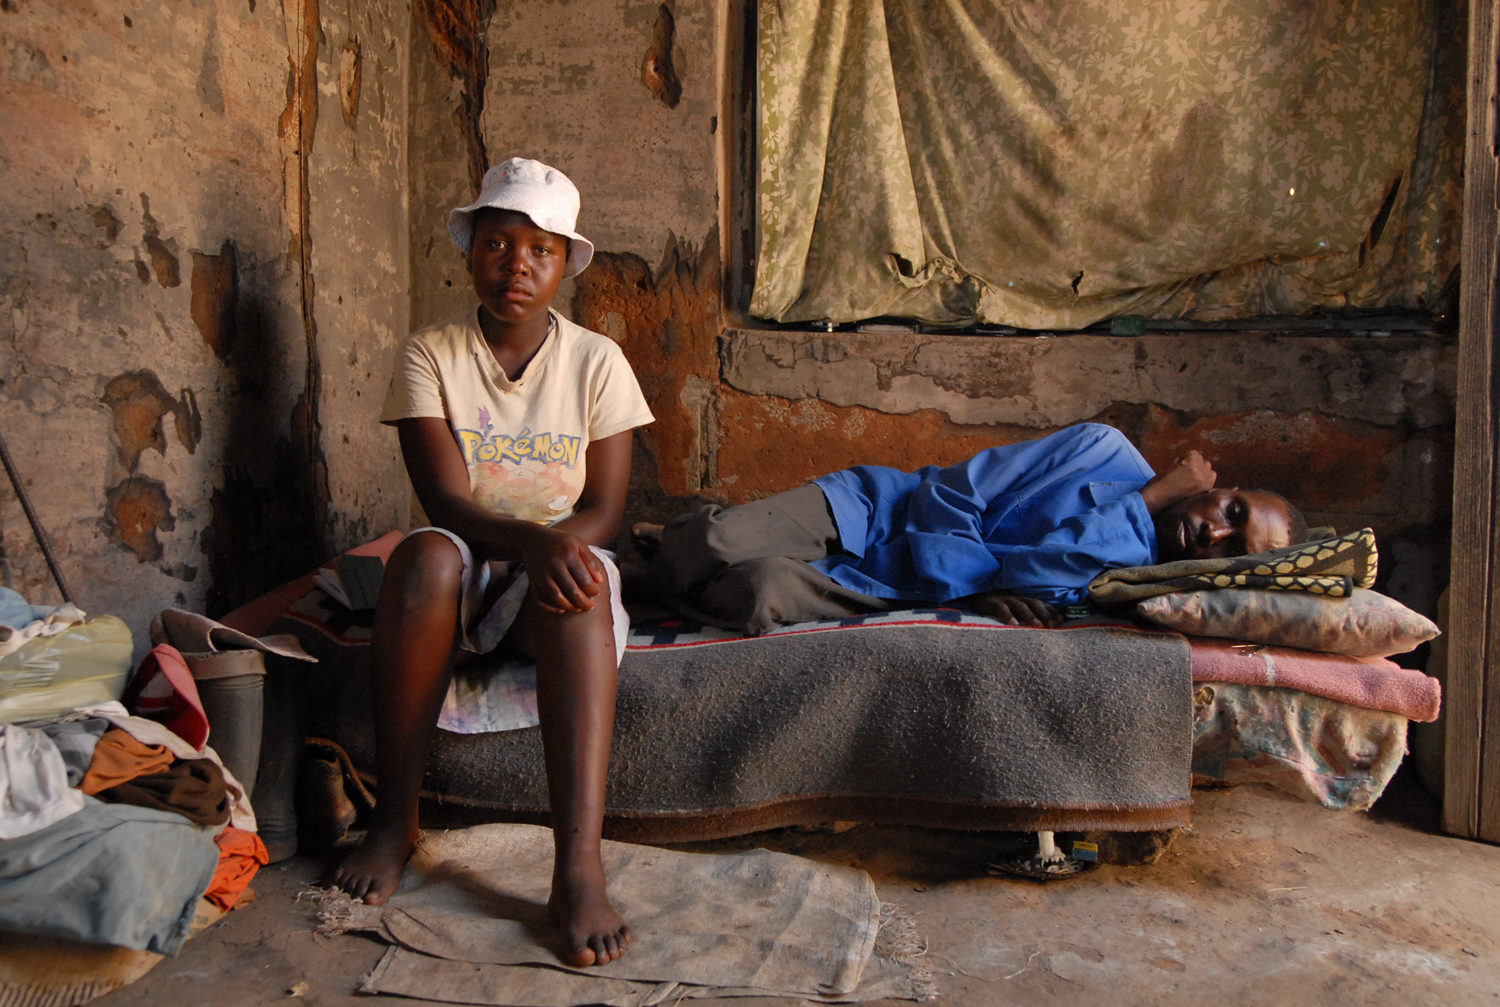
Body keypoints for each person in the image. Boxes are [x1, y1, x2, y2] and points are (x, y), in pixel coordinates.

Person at [331, 158, 654, 967]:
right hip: (469, 568)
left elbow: (606, 510)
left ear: (563, 266)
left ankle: (576, 866)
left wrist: (556, 548)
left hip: (553, 571)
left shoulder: (597, 361)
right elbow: (446, 501)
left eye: (541, 249)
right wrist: (531, 540)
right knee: (422, 556)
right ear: (470, 248)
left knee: (584, 576)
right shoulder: (430, 354)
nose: (518, 264)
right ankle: (395, 820)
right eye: (500, 242)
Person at [634, 423, 1307, 634]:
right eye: (1233, 513)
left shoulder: (1128, 580)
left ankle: (661, 559)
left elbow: (1039, 573)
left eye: (1232, 549)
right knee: (713, 543)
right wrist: (974, 585)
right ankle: (676, 543)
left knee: (758, 594)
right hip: (878, 510)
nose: (1214, 531)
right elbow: (953, 491)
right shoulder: (1103, 449)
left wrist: (1151, 502)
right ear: (1221, 487)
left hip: (898, 592)